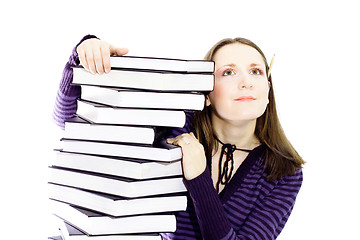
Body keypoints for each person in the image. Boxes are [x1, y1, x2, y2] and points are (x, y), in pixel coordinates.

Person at [53, 35, 305, 240]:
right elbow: (70, 124)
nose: (246, 82)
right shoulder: (174, 123)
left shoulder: (284, 173)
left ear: (268, 90)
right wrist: (83, 57)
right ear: (206, 92)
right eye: (228, 72)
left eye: (256, 72)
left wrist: (199, 179)